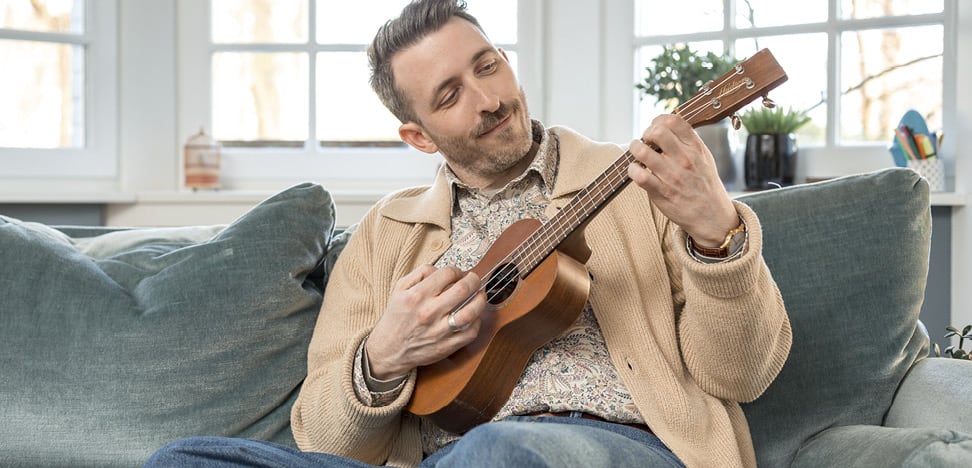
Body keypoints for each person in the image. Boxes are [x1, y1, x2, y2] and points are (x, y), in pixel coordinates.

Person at [146, 1, 791, 467]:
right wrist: (382, 359)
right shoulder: (385, 237)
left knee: (498, 450)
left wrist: (716, 235)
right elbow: (321, 438)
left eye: (488, 67)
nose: (487, 99)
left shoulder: (641, 185)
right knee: (183, 461)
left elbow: (744, 375)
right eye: (450, 94)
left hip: (618, 447)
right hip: (447, 458)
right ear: (418, 136)